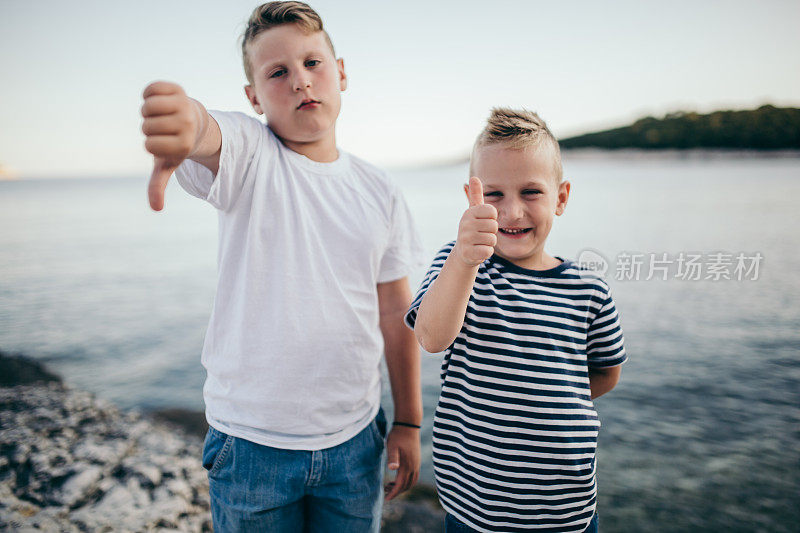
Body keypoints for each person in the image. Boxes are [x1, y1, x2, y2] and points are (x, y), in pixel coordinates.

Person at [139, 2, 424, 531]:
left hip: (355, 441)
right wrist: (187, 123)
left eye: (313, 63)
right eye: (277, 72)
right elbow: (208, 132)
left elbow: (395, 309)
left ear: (341, 72)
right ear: (254, 97)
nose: (300, 82)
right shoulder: (251, 154)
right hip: (252, 447)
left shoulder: (379, 190)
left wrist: (408, 418)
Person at [405, 108, 626, 532]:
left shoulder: (588, 289)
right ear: (471, 197)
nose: (511, 211)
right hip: (477, 507)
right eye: (494, 195)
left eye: (530, 192)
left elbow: (605, 372)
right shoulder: (461, 267)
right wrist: (465, 259)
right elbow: (431, 337)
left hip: (567, 508)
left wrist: (547, 400)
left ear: (560, 198)